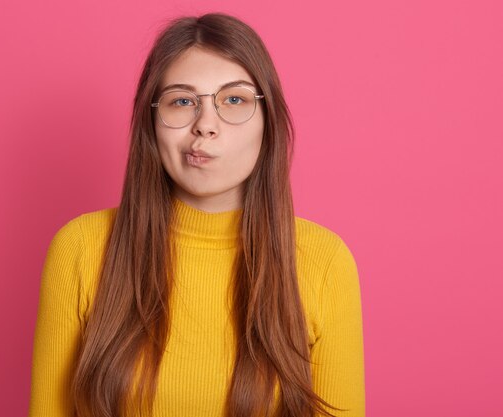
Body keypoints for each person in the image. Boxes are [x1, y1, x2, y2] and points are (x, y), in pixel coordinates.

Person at [28, 12, 365, 417]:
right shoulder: (81, 249)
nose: (205, 125)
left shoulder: (323, 261)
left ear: (268, 120)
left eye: (234, 100)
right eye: (183, 101)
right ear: (151, 123)